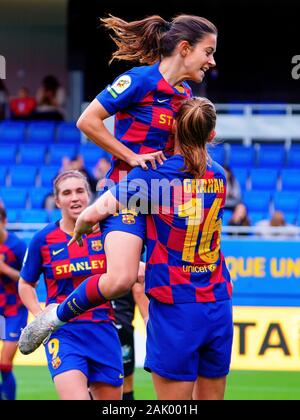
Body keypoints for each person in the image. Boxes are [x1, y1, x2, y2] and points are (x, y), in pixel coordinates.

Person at [19, 97, 233, 400]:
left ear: (172, 129)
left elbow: (94, 213)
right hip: (218, 301)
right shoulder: (220, 176)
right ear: (211, 135)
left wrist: (82, 226)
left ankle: (57, 315)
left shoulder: (154, 175)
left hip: (176, 305)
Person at [73, 13, 217, 309]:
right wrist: (131, 156)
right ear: (185, 49)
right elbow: (87, 121)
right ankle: (55, 316)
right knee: (120, 281)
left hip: (164, 199)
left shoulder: (186, 95)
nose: (212, 62)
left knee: (167, 284)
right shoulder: (138, 80)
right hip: (126, 194)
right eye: (209, 52)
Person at [18, 170, 124, 400]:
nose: (74, 197)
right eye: (67, 193)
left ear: (89, 195)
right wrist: (41, 318)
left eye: (79, 191)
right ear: (57, 201)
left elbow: (126, 270)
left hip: (103, 328)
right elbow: (25, 283)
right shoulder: (43, 239)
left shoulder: (108, 233)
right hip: (64, 331)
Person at [0, 207, 27, 400]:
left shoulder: (16, 246)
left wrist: (3, 268)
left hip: (14, 311)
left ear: (4, 222)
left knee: (4, 363)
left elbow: (27, 278)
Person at [113, 284, 149, 401]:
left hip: (97, 325)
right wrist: (150, 325)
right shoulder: (130, 267)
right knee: (125, 383)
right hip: (121, 325)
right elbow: (138, 290)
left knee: (91, 383)